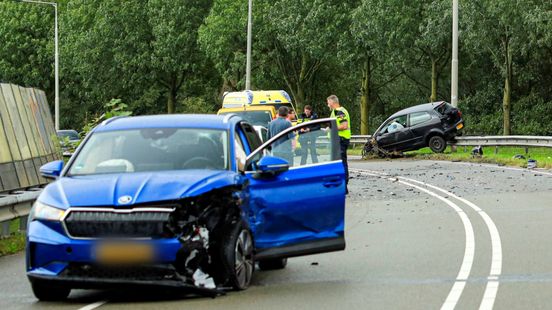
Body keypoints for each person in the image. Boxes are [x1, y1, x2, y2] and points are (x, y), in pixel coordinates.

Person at [327, 95, 351, 194]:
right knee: (338, 163)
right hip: (338, 140)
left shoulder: (339, 111)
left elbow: (344, 126)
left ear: (332, 102)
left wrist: (332, 129)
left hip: (340, 140)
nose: (327, 104)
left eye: (328, 102)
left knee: (341, 163)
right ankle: (340, 186)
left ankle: (344, 187)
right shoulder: (335, 112)